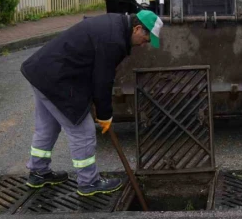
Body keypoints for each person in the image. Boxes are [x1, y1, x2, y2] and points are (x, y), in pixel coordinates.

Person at [20, 10, 163, 196]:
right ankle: (89, 182)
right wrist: (104, 114)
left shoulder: (115, 24)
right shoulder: (114, 40)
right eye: (147, 38)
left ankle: (38, 172)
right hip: (57, 79)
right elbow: (102, 80)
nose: (145, 44)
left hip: (41, 71)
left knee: (48, 126)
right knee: (83, 131)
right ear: (137, 28)